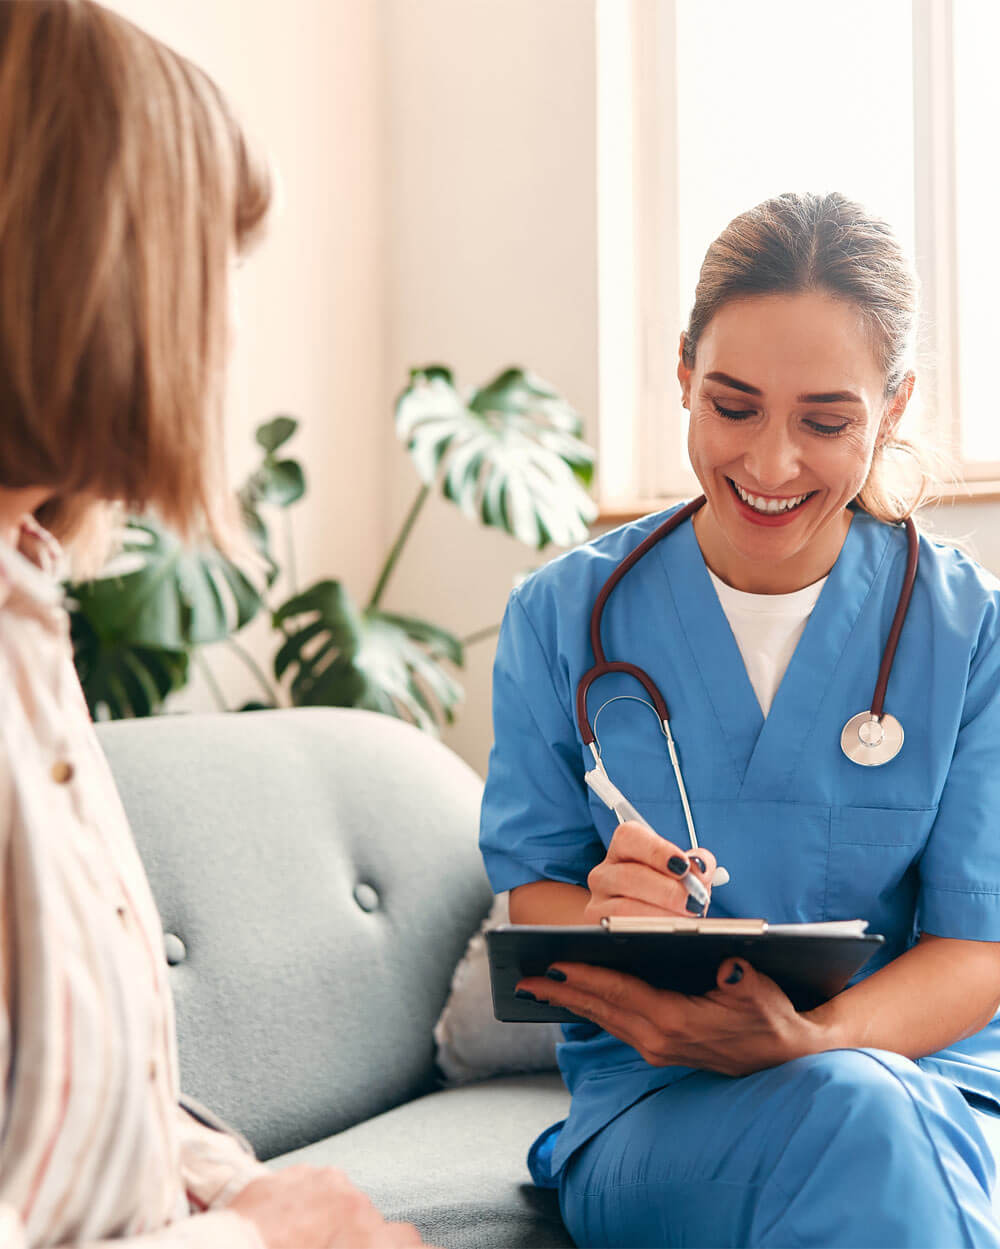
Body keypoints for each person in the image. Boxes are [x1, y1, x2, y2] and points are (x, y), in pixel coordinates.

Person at [480, 190, 1000, 1248]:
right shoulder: (560, 617)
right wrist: (610, 915)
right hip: (662, 1107)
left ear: (891, 410)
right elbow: (534, 897)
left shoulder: (969, 630)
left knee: (867, 1106)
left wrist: (811, 1042)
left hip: (927, 1079)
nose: (769, 465)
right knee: (864, 1124)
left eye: (825, 421)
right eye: (731, 406)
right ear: (681, 375)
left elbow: (976, 945)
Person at [0, 3, 427, 1246]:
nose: (229, 331)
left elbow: (73, 1105)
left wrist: (230, 1186)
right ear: (92, 274)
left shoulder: (32, 615)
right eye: (215, 272)